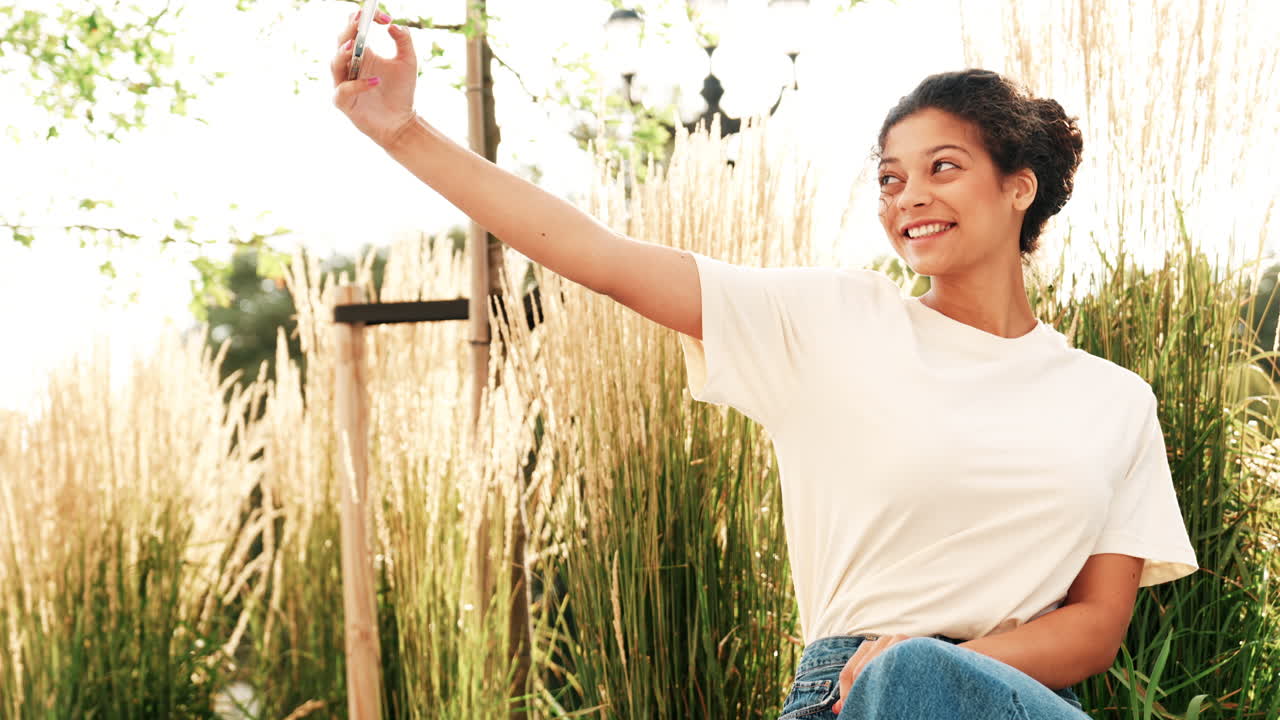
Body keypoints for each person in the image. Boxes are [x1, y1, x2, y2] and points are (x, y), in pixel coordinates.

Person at [331, 11, 1199, 720]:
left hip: (994, 693)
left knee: (917, 680)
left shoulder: (1113, 400)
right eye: (892, 180)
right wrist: (403, 130)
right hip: (845, 697)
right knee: (901, 682)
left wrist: (941, 665)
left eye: (944, 168)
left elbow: (1094, 626)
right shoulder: (833, 321)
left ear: (1021, 185)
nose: (910, 197)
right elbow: (601, 255)